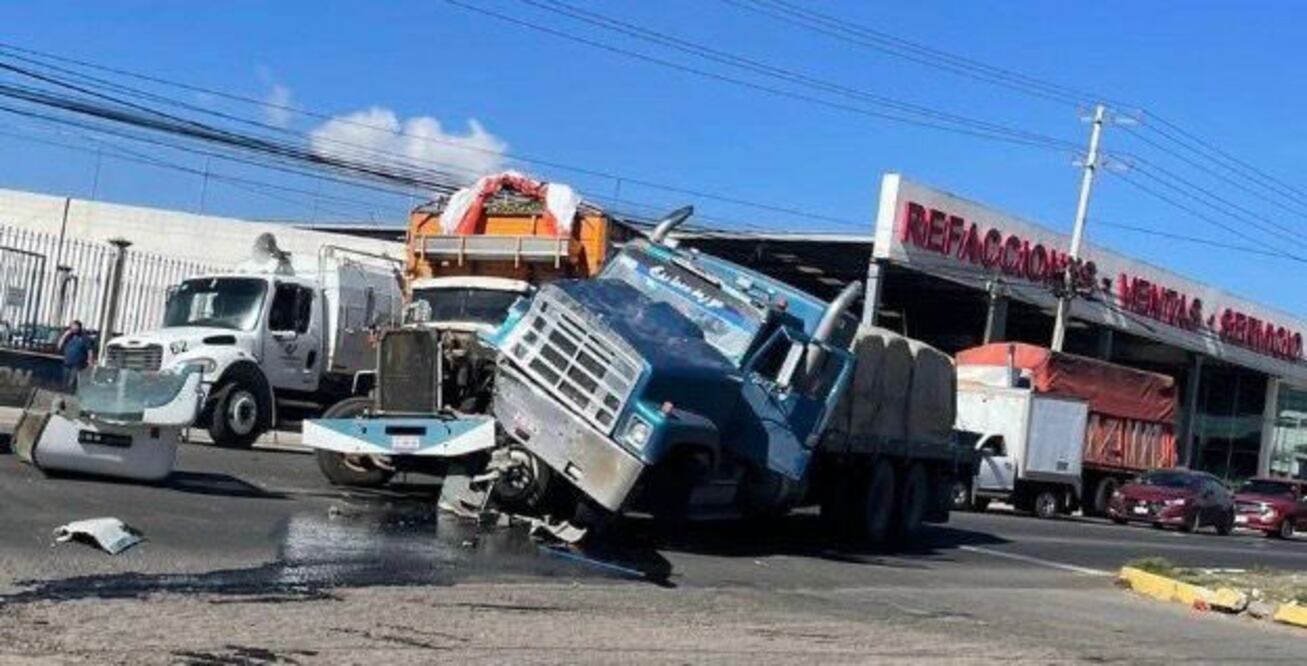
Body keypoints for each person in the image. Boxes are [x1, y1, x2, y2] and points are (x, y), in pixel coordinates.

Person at [57, 320, 95, 392]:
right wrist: (64, 335)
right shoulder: (68, 337)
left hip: (77, 364)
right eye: (72, 327)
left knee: (72, 382)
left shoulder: (84, 338)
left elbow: (89, 350)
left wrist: (90, 361)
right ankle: (64, 393)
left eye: (75, 327)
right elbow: (59, 346)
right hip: (67, 362)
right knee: (64, 381)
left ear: (79, 327)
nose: (74, 329)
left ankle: (71, 394)